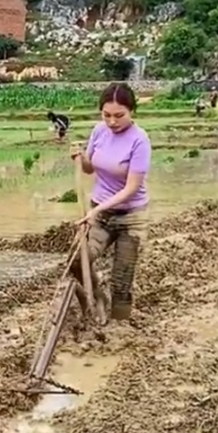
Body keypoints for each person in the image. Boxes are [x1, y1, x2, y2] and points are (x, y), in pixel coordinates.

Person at [69, 82, 151, 323]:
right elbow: (89, 169)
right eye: (106, 115)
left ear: (132, 111)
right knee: (76, 259)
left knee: (122, 281)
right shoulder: (99, 131)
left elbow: (131, 188)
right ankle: (96, 297)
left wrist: (98, 210)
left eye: (119, 116)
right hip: (100, 214)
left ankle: (119, 329)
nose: (112, 122)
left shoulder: (140, 141)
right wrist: (81, 157)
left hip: (131, 217)